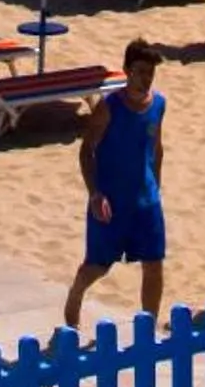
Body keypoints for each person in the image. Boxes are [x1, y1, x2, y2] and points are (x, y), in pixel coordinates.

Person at [66, 41, 167, 325]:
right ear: (127, 71)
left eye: (150, 73)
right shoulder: (109, 108)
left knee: (154, 265)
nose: (146, 78)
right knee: (97, 267)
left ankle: (149, 327)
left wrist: (156, 187)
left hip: (146, 201)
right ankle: (75, 294)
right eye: (140, 71)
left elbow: (157, 147)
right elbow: (87, 150)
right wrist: (95, 193)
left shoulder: (158, 104)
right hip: (110, 200)